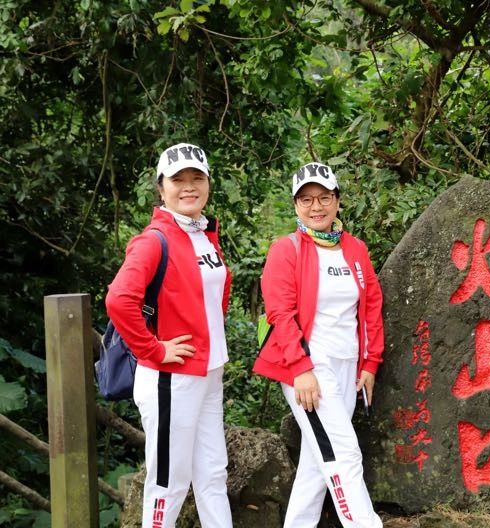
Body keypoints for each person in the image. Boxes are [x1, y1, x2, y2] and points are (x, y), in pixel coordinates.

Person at [106, 143, 233, 528]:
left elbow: (210, 298)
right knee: (169, 482)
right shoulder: (154, 239)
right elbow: (118, 300)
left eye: (197, 178)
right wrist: (153, 349)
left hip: (208, 371)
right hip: (170, 377)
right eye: (179, 180)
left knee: (212, 474)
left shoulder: (203, 234)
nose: (189, 187)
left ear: (208, 184)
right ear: (162, 189)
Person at [252, 162, 385, 528]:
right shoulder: (287, 250)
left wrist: (370, 363)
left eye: (324, 197)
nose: (316, 206)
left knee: (317, 462)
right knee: (343, 454)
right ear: (295, 205)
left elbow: (371, 303)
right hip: (308, 366)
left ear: (338, 200)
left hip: (347, 365)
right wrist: (301, 371)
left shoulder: (354, 249)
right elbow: (280, 315)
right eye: (306, 199)